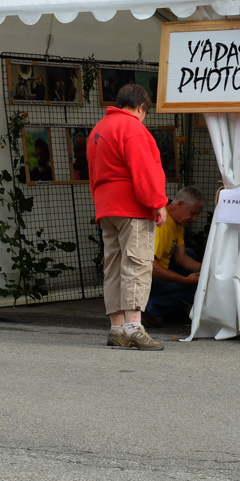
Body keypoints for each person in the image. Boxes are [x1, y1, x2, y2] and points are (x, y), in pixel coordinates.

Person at [87, 83, 168, 351]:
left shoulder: (98, 130)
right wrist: (157, 203)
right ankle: (134, 326)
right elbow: (144, 169)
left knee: (113, 265)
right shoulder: (133, 128)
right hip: (132, 207)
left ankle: (117, 327)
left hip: (106, 207)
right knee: (136, 263)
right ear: (141, 107)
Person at [145, 186, 205, 325]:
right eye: (193, 213)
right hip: (147, 275)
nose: (194, 219)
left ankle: (170, 309)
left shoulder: (176, 222)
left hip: (157, 269)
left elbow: (182, 257)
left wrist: (207, 270)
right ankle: (148, 308)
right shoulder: (161, 224)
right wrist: (184, 280)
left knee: (189, 253)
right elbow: (151, 267)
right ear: (180, 205)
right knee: (191, 291)